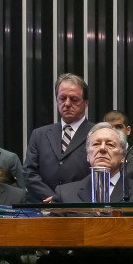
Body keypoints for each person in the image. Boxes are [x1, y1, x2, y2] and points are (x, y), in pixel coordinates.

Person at [23, 73, 95, 202]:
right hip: (44, 206)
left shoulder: (97, 133)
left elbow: (99, 172)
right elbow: (29, 173)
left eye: (74, 99)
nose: (67, 104)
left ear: (86, 103)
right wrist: (53, 199)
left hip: (81, 206)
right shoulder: (39, 134)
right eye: (62, 98)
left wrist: (66, 198)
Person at [53, 123, 133, 202]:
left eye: (110, 144)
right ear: (87, 156)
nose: (102, 148)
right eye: (96, 144)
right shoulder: (64, 195)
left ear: (123, 156)